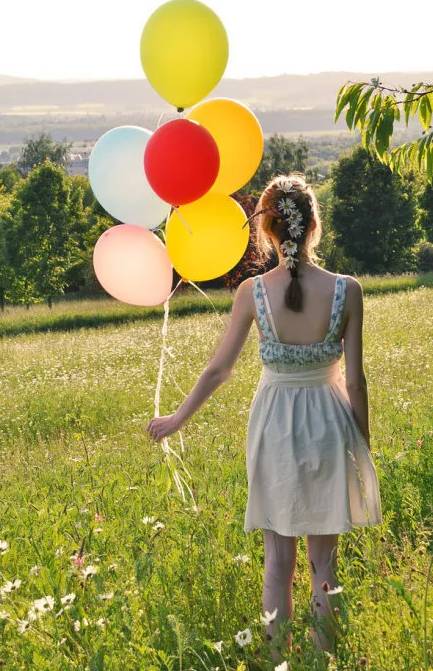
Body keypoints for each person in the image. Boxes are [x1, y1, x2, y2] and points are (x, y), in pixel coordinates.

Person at [146, 172, 383, 659]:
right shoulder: (348, 289)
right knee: (325, 564)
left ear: (268, 231)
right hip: (331, 423)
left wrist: (176, 420)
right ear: (314, 225)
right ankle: (324, 660)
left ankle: (278, 660)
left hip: (276, 424)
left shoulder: (252, 292)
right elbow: (356, 381)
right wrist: (361, 443)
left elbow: (218, 370)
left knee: (278, 560)